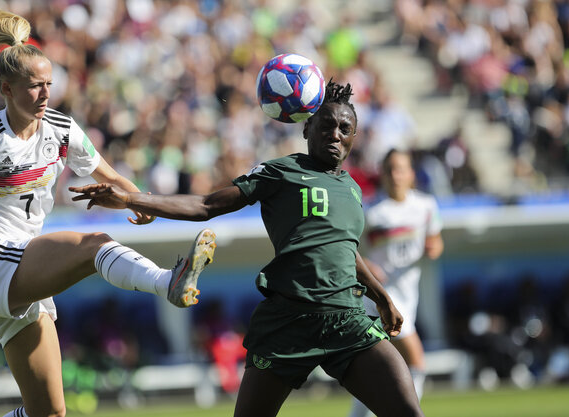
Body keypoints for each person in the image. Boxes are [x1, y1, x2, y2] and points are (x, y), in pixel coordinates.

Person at [0, 10, 217, 417]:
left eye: (49, 84)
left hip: (25, 267)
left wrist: (139, 200)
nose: (46, 93)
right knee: (93, 245)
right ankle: (166, 282)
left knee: (49, 413)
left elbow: (111, 175)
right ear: (6, 88)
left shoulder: (62, 130)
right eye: (35, 86)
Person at [72, 82, 424, 417]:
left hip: (346, 320)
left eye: (344, 128)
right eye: (326, 125)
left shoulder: (352, 188)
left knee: (408, 411)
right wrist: (132, 198)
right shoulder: (281, 172)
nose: (335, 134)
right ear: (306, 128)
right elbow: (207, 205)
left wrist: (382, 298)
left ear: (353, 138)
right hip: (288, 321)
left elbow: (344, 249)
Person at [347, 149, 443, 417]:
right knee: (416, 359)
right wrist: (368, 265)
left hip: (408, 292)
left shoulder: (426, 206)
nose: (395, 175)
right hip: (379, 295)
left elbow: (435, 239)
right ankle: (411, 411)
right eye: (389, 169)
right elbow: (348, 247)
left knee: (376, 372)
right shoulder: (371, 208)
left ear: (411, 173)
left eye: (400, 168)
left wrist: (433, 247)